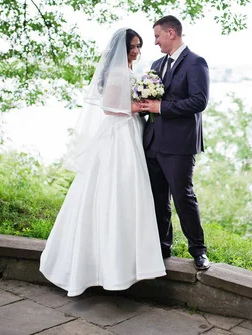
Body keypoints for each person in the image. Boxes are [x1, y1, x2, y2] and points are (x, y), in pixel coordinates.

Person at [40, 28, 166, 297]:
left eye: (139, 46)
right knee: (115, 190)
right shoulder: (119, 73)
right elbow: (109, 107)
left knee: (128, 193)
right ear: (121, 48)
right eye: (132, 46)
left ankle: (124, 265)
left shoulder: (129, 71)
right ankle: (110, 268)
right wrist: (141, 106)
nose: (136, 51)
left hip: (130, 131)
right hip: (118, 135)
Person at [140, 15, 211, 270]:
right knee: (158, 199)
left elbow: (199, 101)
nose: (155, 42)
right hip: (153, 144)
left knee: (183, 198)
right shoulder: (156, 64)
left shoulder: (196, 63)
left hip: (179, 146)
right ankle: (162, 247)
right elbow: (148, 97)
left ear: (171, 33)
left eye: (157, 36)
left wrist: (162, 107)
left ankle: (199, 251)